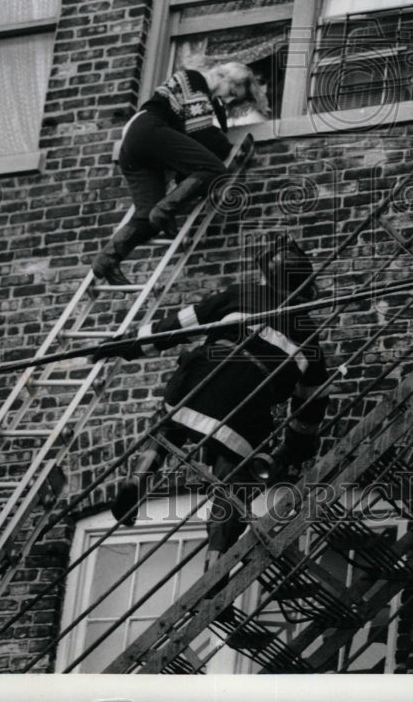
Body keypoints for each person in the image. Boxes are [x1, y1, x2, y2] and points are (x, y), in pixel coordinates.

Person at [95, 235, 329, 568]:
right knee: (234, 482)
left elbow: (171, 330)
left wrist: (123, 345)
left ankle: (141, 476)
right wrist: (291, 456)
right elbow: (309, 413)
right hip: (246, 415)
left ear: (266, 274)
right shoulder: (312, 339)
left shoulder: (238, 295)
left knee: (168, 423)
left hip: (199, 388)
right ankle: (216, 558)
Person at [92, 62, 265, 286]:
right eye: (232, 92)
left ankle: (107, 260)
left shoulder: (208, 100)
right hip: (148, 130)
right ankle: (164, 210)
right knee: (214, 170)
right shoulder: (194, 80)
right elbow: (202, 135)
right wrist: (228, 147)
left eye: (236, 100)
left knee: (146, 217)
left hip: (136, 147)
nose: (230, 101)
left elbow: (199, 140)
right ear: (221, 76)